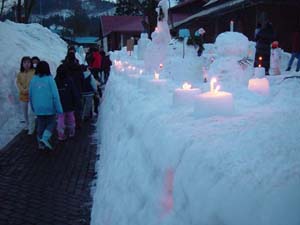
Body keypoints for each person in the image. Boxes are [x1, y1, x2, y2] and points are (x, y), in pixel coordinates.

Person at [29, 61, 63, 150]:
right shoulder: (50, 79)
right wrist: (59, 109)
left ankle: (40, 143)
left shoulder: (33, 80)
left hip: (38, 108)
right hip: (49, 107)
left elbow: (31, 95)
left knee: (41, 124)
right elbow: (55, 95)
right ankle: (45, 138)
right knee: (51, 123)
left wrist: (33, 107)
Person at [55, 64, 81, 141]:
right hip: (69, 103)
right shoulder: (69, 80)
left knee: (60, 119)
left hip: (59, 104)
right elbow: (74, 92)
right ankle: (71, 132)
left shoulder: (55, 80)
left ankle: (61, 134)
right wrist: (76, 102)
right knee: (70, 118)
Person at [16, 56, 36, 134]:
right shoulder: (20, 73)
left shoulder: (34, 72)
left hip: (32, 96)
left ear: (31, 63)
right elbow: (18, 83)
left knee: (30, 113)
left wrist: (28, 89)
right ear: (22, 64)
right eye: (25, 62)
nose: (27, 64)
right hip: (23, 96)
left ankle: (32, 128)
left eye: (28, 62)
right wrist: (22, 89)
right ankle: (27, 124)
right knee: (25, 112)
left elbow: (35, 82)